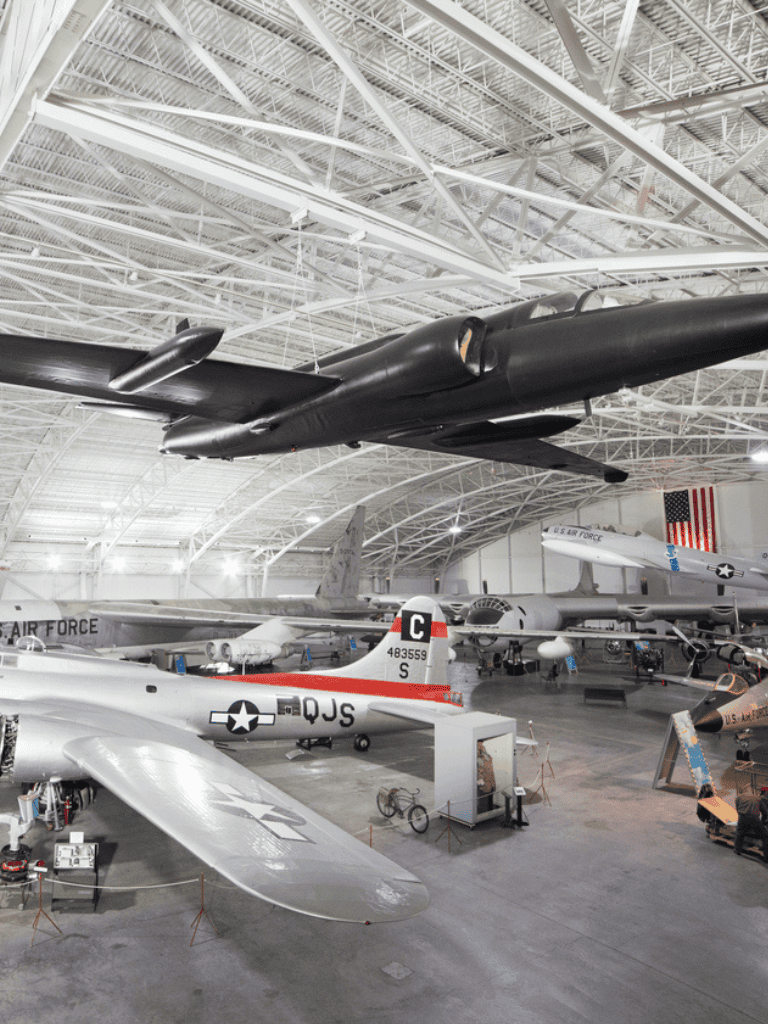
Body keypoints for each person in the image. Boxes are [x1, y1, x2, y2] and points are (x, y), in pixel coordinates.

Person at [734, 790, 768, 861]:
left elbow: (737, 809)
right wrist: (762, 822)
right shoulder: (757, 798)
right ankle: (766, 857)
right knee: (765, 836)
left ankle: (737, 851)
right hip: (754, 819)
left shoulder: (738, 797)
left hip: (742, 817)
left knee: (739, 833)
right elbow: (765, 813)